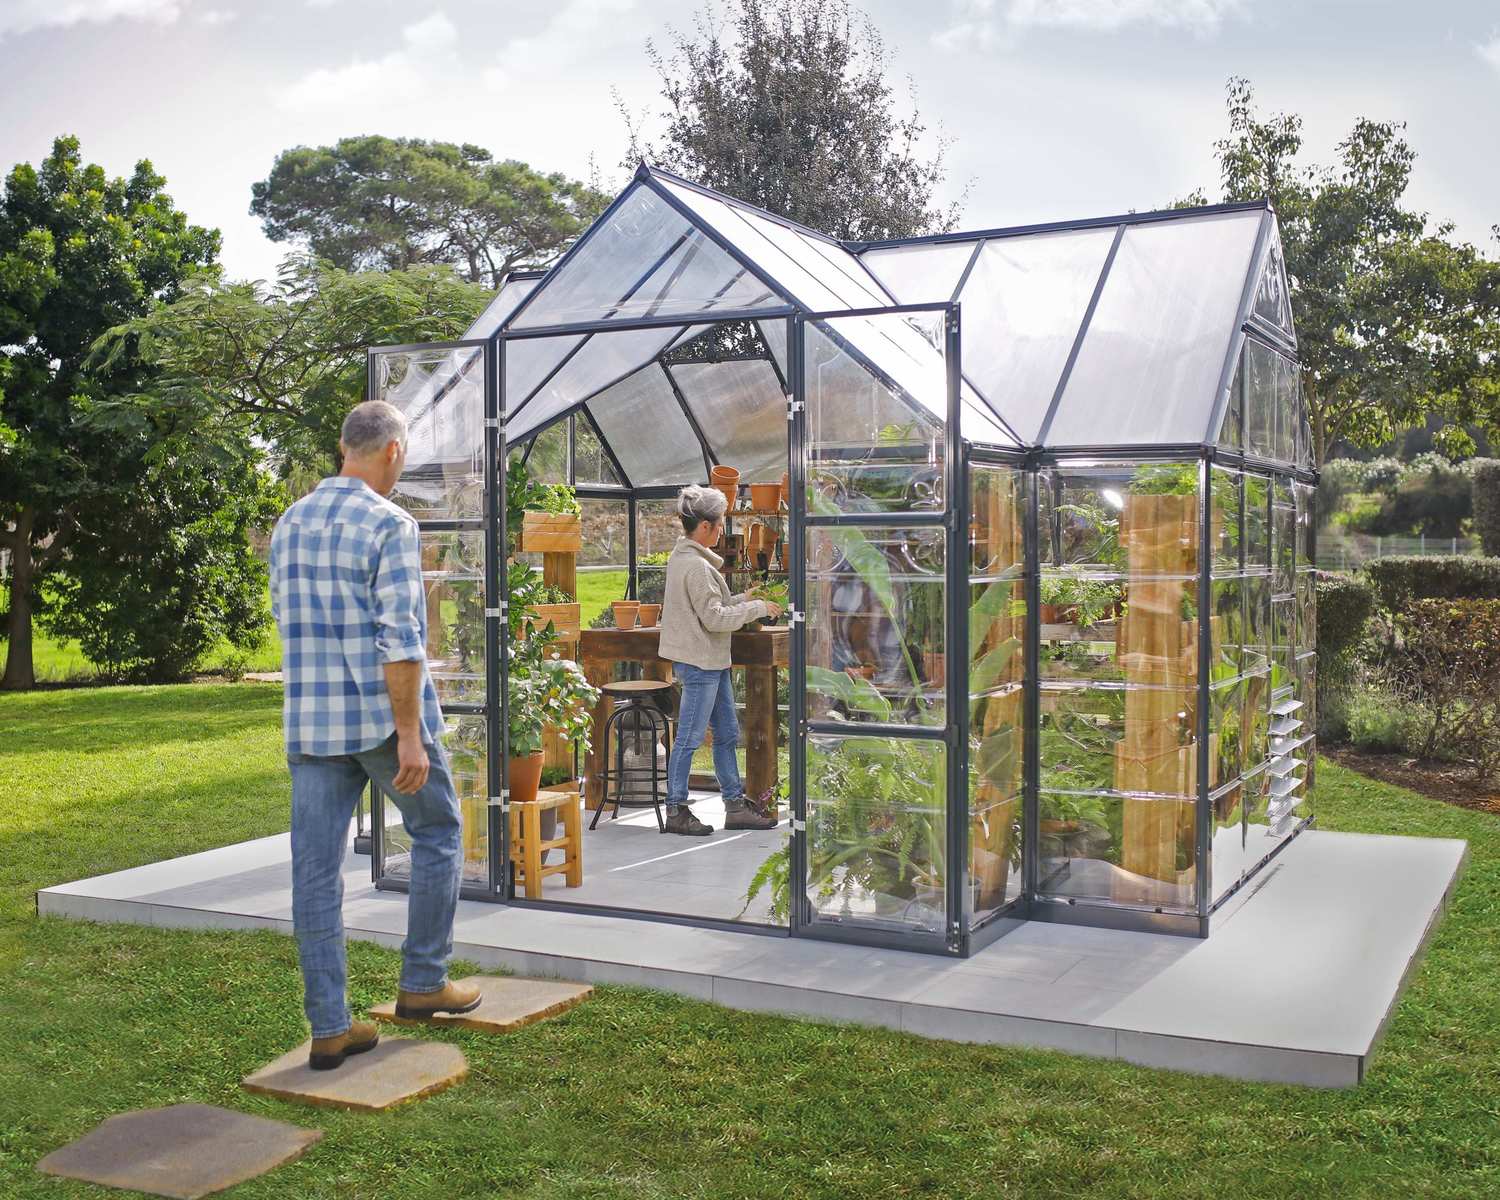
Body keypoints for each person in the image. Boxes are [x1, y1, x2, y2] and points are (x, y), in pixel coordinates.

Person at [269, 400, 480, 1071]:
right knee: (439, 831)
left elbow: (289, 622)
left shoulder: (289, 523)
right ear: (391, 451)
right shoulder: (390, 523)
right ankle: (423, 982)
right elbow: (402, 638)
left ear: (343, 447)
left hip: (311, 724)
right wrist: (410, 736)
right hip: (383, 723)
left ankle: (330, 1027)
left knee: (314, 873)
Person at [656, 484, 784, 836]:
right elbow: (714, 618)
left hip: (712, 662)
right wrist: (757, 608)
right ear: (706, 527)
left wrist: (746, 596)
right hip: (700, 665)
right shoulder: (695, 566)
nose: (723, 529)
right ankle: (677, 810)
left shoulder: (689, 560)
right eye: (721, 523)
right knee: (690, 738)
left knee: (727, 733)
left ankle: (735, 806)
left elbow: (714, 607)